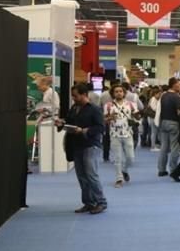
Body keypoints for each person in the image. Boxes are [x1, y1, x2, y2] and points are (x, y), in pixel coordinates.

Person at [56, 83, 107, 214]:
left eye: (75, 96)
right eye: (72, 96)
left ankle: (101, 202)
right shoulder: (74, 108)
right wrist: (61, 123)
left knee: (91, 175)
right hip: (76, 145)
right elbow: (69, 122)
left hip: (91, 145)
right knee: (82, 177)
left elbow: (101, 127)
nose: (73, 98)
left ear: (84, 94)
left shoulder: (94, 109)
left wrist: (84, 130)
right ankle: (89, 203)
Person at [105, 85, 137, 187]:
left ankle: (124, 170)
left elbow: (137, 116)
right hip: (114, 134)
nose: (119, 93)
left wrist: (136, 118)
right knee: (117, 158)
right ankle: (119, 178)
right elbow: (104, 120)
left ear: (124, 93)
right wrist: (110, 117)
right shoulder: (108, 105)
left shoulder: (131, 104)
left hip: (128, 133)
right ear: (113, 94)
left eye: (120, 91)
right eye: (116, 91)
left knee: (130, 158)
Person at [157, 77, 180, 177]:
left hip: (163, 122)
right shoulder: (176, 97)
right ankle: (173, 169)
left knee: (164, 147)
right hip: (173, 123)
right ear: (174, 85)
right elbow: (179, 112)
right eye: (179, 84)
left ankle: (161, 170)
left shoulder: (164, 95)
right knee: (174, 147)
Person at [148, 87, 162, 152]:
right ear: (155, 94)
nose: (160, 95)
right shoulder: (153, 99)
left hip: (154, 118)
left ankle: (155, 145)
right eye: (159, 94)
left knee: (155, 132)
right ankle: (153, 146)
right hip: (153, 118)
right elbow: (154, 108)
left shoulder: (155, 99)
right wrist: (160, 108)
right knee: (154, 132)